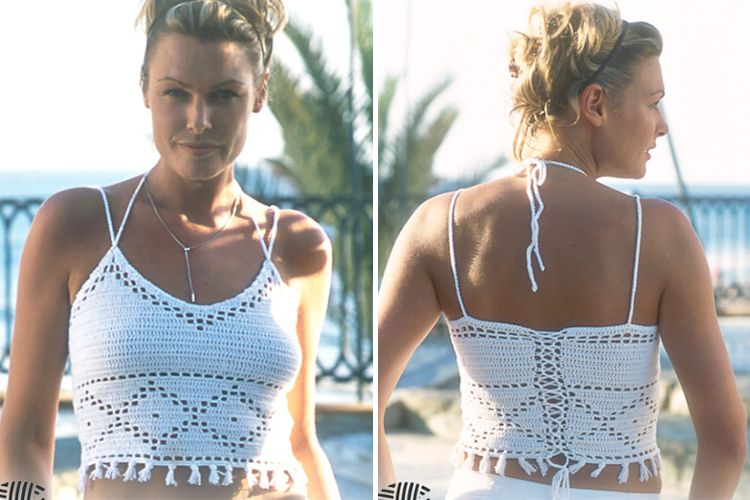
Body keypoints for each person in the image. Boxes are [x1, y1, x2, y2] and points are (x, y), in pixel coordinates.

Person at [378, 2, 746, 499]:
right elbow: (726, 442)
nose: (663, 125)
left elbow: (366, 404)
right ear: (594, 104)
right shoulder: (660, 235)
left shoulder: (438, 225)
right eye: (653, 102)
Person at [0, 1, 342, 499]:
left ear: (260, 92)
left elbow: (302, 439)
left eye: (224, 95)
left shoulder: (298, 245)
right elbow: (23, 436)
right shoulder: (76, 226)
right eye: (175, 93)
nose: (198, 119)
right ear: (145, 89)